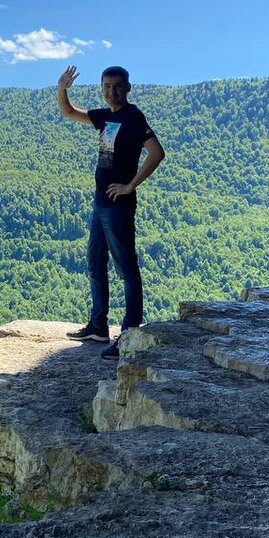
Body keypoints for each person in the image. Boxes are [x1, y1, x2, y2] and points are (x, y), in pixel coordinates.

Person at [57, 64, 165, 359]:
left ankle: (129, 334)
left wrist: (130, 185)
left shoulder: (132, 117)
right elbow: (69, 112)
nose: (111, 91)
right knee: (94, 262)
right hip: (100, 203)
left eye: (117, 86)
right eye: (106, 86)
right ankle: (98, 325)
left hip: (118, 207)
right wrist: (62, 88)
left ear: (128, 88)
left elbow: (157, 152)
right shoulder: (105, 117)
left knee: (126, 269)